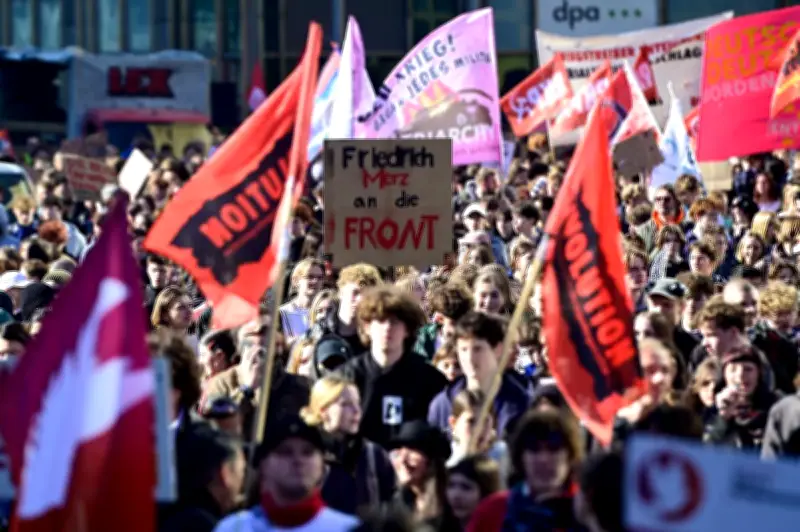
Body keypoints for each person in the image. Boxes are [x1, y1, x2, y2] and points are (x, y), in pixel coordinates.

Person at [338, 286, 447, 447]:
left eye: (394, 322)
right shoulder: (346, 378)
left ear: (407, 329)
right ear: (367, 327)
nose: (387, 327)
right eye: (381, 320)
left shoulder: (430, 380)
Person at [213, 416, 359, 531]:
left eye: (307, 452)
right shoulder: (233, 528)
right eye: (285, 452)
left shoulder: (350, 529)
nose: (298, 460)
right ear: (264, 465)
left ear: (322, 465)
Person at [467, 410, 585, 531]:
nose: (543, 459)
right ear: (520, 457)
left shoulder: (587, 513)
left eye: (553, 449)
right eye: (534, 449)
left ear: (570, 456)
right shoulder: (493, 511)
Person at [300, 375, 396, 514]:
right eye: (346, 404)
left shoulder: (374, 455)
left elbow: (389, 505)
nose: (357, 411)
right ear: (323, 410)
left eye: (358, 403)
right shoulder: (304, 454)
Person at [428, 311, 530, 441]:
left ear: (498, 349)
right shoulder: (443, 405)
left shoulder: (522, 404)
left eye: (477, 349)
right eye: (463, 349)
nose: (470, 359)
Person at [159, 425, 246, 532]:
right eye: (242, 471)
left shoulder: (164, 516)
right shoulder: (212, 527)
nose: (242, 480)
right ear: (225, 473)